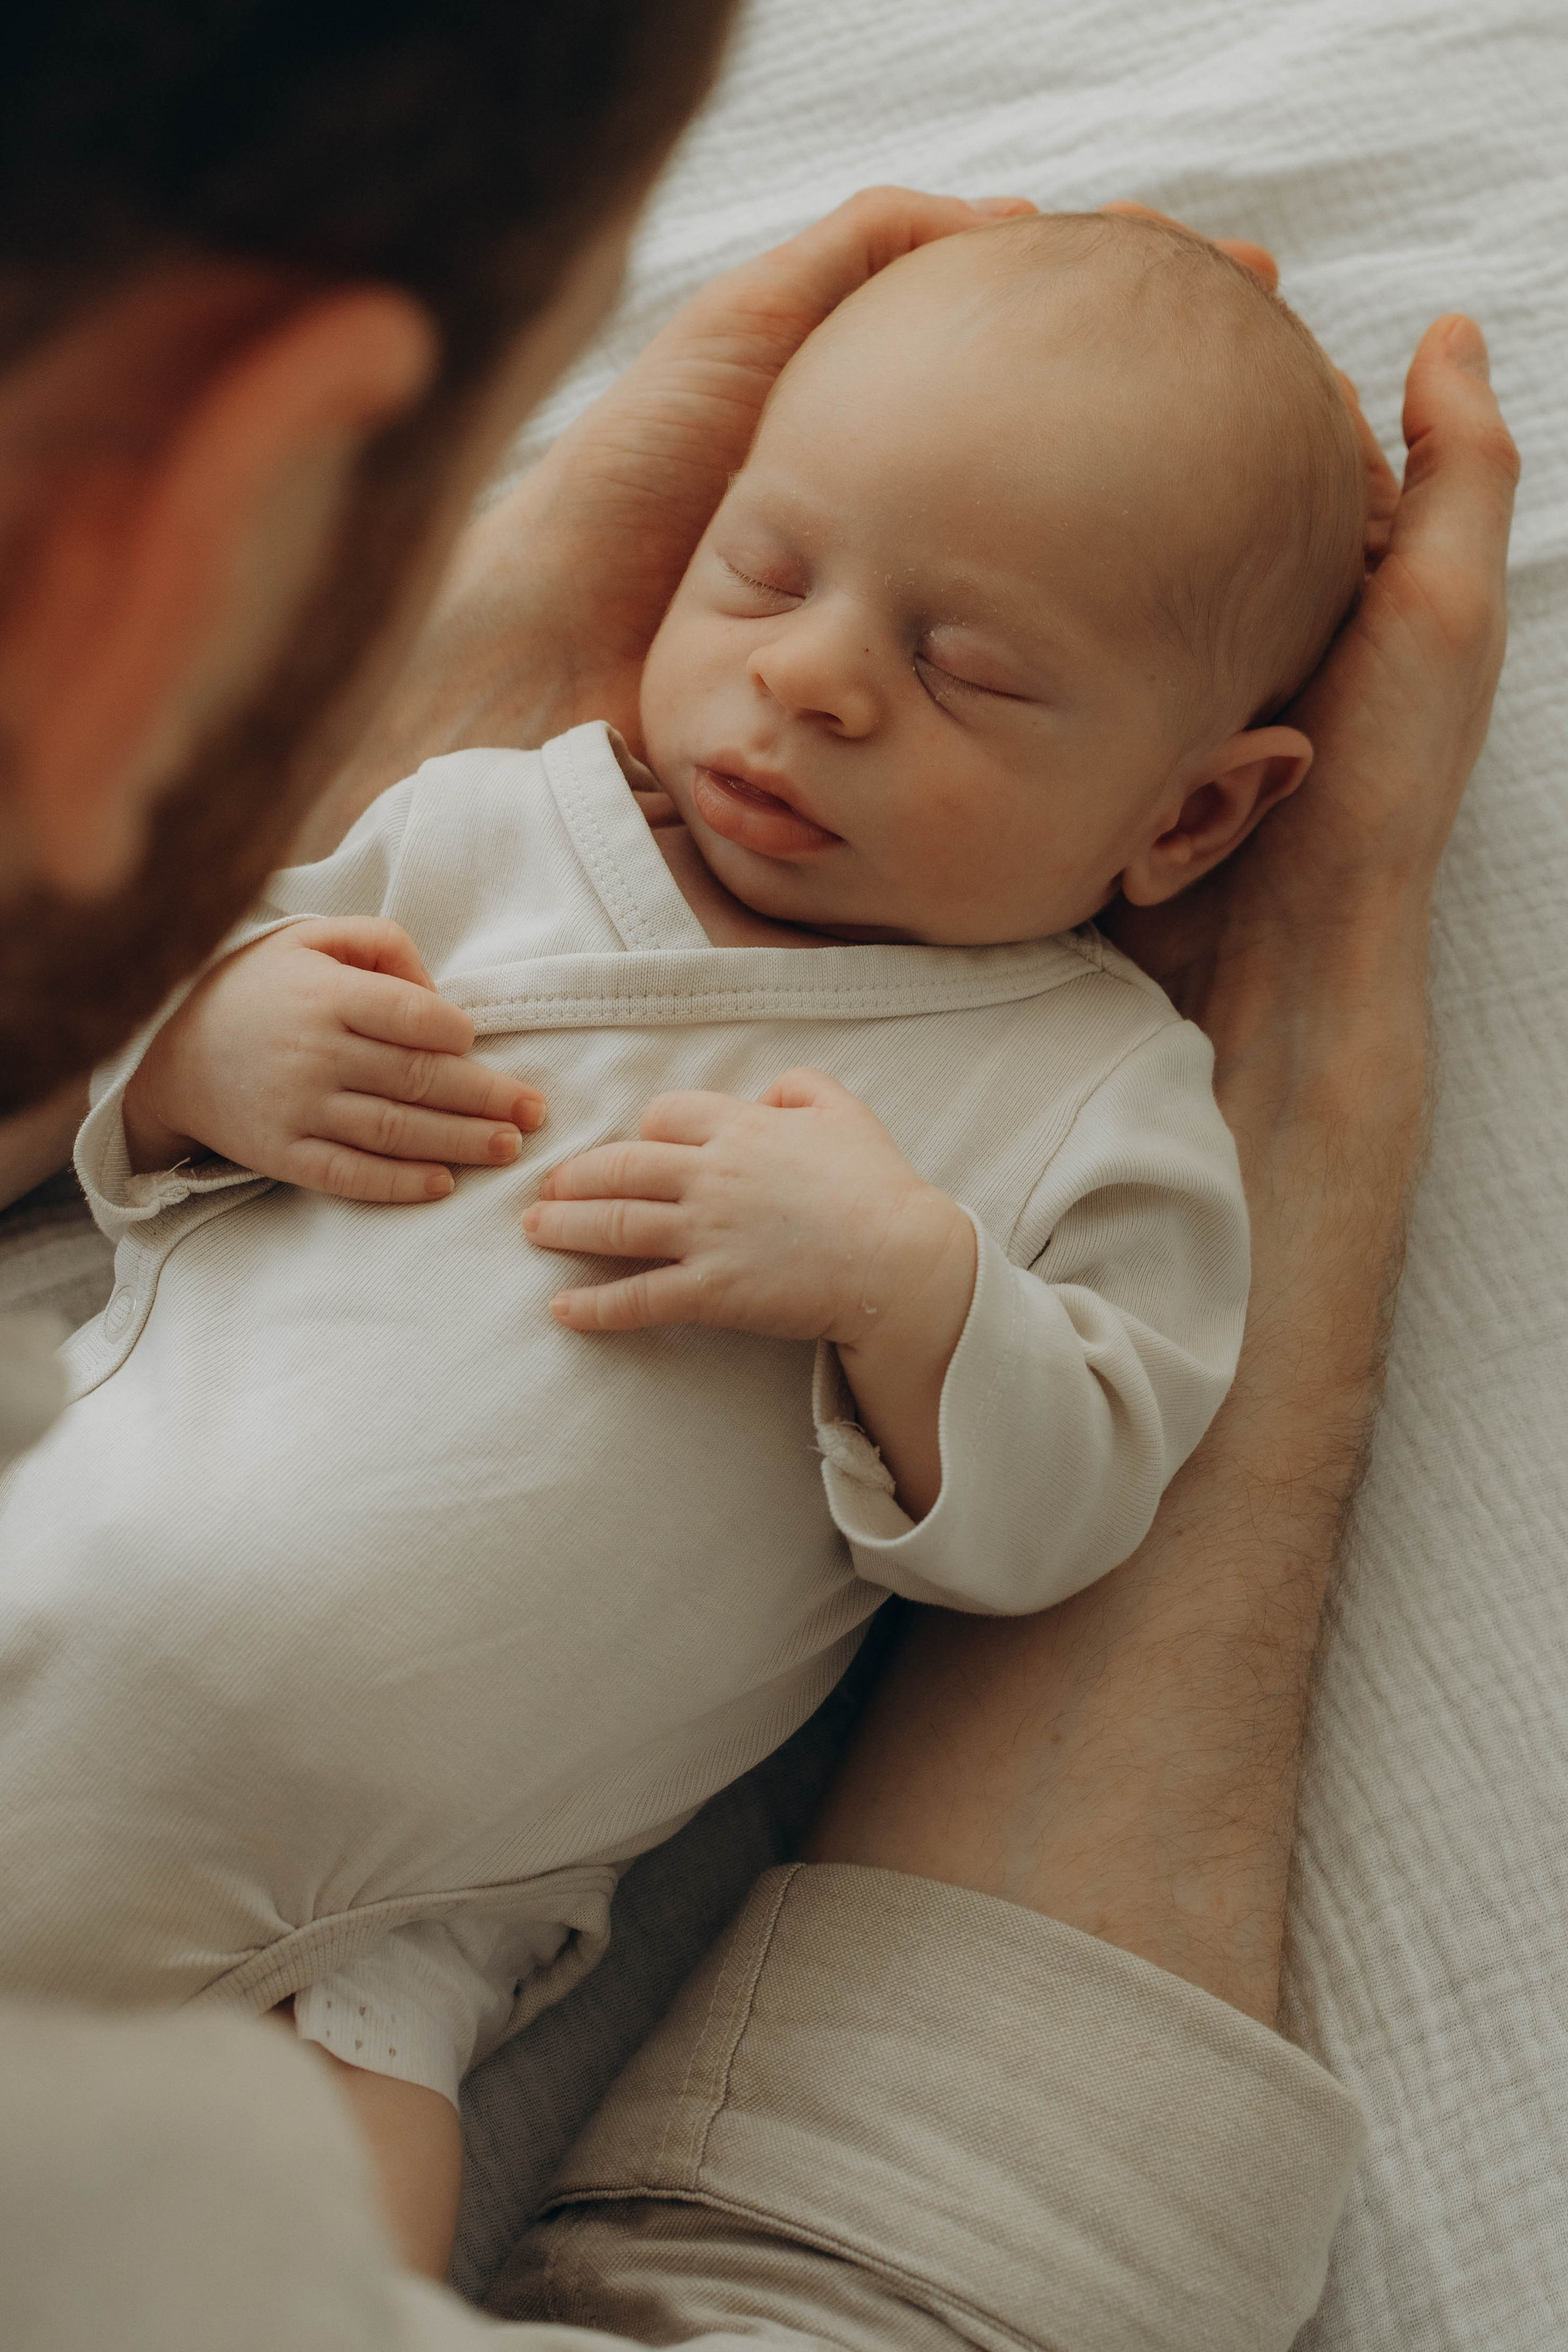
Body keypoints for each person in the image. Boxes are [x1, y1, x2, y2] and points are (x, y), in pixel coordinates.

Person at [0, 6, 1519, 2347]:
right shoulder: (492, 828)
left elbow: (1075, 1505)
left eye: (971, 671)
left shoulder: (1096, 1091)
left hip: (340, 1943)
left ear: (1197, 812)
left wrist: (914, 1298)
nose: (810, 683)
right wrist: (206, 1039)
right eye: (760, 567)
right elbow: (117, 1086)